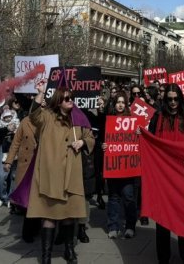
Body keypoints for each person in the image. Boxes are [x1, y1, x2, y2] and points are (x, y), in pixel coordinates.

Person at [27, 79, 95, 264]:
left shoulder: (78, 118)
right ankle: (46, 255)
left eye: (71, 97)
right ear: (58, 101)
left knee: (68, 215)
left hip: (71, 174)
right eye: (66, 98)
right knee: (49, 215)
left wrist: (83, 142)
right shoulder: (48, 116)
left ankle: (69, 249)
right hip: (51, 175)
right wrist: (40, 92)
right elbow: (33, 115)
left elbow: (90, 137)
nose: (69, 100)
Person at [147, 83, 184, 264]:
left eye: (176, 99)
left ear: (181, 99)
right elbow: (151, 143)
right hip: (163, 179)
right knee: (162, 223)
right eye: (169, 99)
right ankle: (163, 259)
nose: (172, 103)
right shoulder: (157, 117)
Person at [102, 91, 137, 240]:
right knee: (113, 197)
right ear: (114, 104)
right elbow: (104, 138)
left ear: (127, 104)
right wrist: (103, 146)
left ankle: (130, 226)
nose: (120, 105)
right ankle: (113, 226)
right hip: (113, 166)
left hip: (128, 167)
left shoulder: (132, 120)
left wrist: (138, 133)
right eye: (118, 102)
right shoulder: (108, 120)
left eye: (123, 102)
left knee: (129, 197)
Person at [3, 112, 40, 242]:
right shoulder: (26, 121)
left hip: (42, 165)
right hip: (26, 165)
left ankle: (36, 228)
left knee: (38, 199)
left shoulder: (49, 120)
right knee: (27, 200)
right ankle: (28, 232)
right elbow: (16, 142)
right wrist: (9, 160)